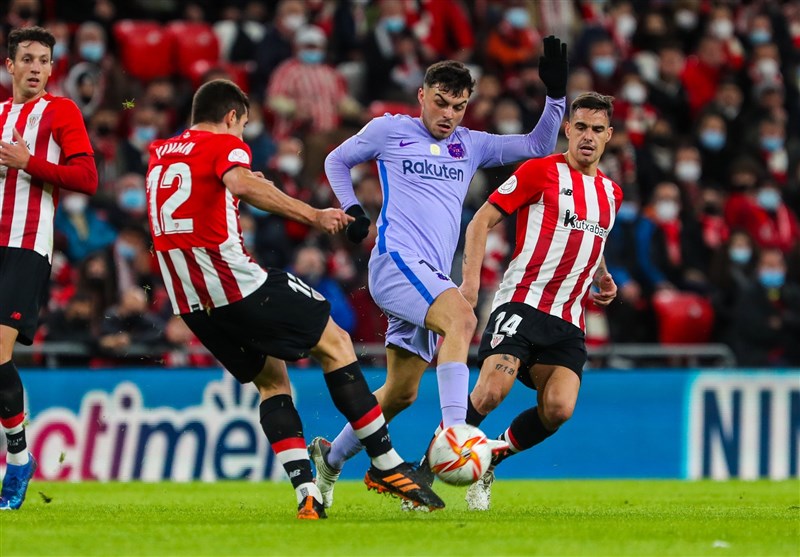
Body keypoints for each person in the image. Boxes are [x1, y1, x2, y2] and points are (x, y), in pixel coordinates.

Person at [146, 79, 442, 520]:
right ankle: (386, 463)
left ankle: (307, 493)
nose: (242, 135)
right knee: (336, 342)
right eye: (242, 126)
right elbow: (240, 183)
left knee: (272, 382)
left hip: (191, 303)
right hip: (237, 284)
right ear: (231, 117)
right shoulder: (225, 145)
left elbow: (202, 200)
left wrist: (242, 184)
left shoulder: (160, 153)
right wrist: (314, 214)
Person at [311, 36, 569, 510]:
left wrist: (555, 97)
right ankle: (456, 433)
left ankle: (329, 459)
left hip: (428, 275)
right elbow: (336, 160)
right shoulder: (389, 130)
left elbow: (537, 144)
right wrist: (352, 208)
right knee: (462, 318)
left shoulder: (470, 144)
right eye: (441, 102)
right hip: (395, 262)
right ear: (422, 96)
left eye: (459, 106)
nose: (449, 114)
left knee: (400, 393)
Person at [456, 92, 622, 511]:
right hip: (521, 302)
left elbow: (592, 237)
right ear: (567, 129)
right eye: (580, 127)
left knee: (559, 409)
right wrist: (470, 286)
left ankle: (490, 457)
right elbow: (480, 220)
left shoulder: (611, 194)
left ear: (609, 135)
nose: (588, 136)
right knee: (491, 392)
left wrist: (601, 274)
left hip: (568, 318)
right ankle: (426, 471)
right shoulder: (539, 171)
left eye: (597, 129)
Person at [0, 26, 99, 510]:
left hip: (25, 245)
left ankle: (18, 461)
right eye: (28, 59)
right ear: (10, 66)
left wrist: (28, 162)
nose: (36, 67)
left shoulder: (61, 111)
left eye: (44, 60)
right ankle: (20, 459)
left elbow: (87, 177)